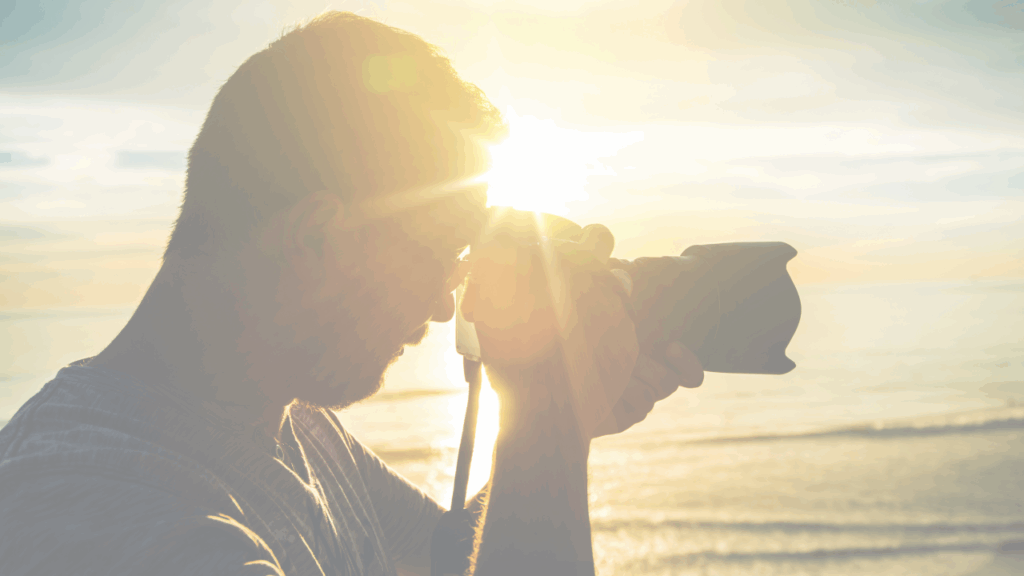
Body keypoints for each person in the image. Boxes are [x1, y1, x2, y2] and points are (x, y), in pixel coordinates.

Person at [0, 12, 703, 576]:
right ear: (315, 237)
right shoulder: (94, 511)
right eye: (438, 256)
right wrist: (542, 425)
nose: (439, 305)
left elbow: (448, 557)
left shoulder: (294, 423)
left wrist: (559, 426)